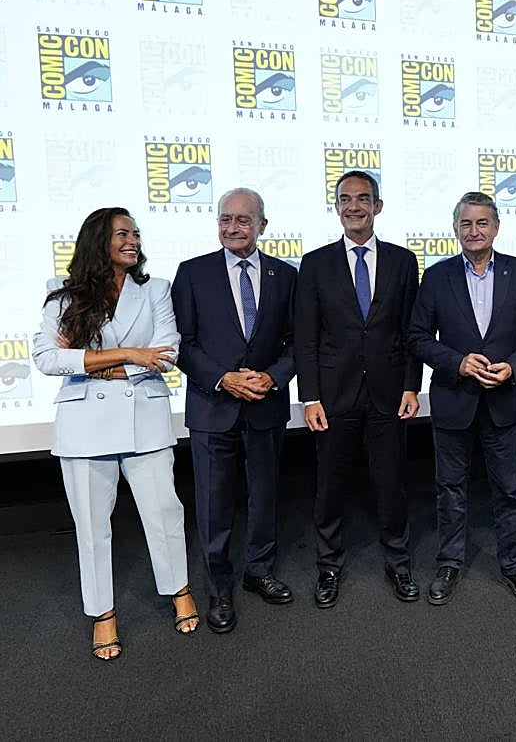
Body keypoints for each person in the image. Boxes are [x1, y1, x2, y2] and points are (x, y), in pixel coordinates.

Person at [32, 207, 197, 660]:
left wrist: (92, 362)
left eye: (135, 233)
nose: (133, 241)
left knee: (165, 512)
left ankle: (179, 589)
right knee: (91, 526)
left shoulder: (156, 290)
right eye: (123, 233)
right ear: (98, 240)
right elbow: (46, 358)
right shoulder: (62, 295)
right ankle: (102, 613)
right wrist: (129, 355)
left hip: (146, 417)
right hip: (84, 425)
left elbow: (166, 353)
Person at [408, 192, 516, 605]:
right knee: (449, 489)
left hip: (504, 400)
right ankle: (449, 563)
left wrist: (513, 367)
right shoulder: (436, 276)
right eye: (466, 224)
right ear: (455, 229)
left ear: (496, 227)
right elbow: (417, 337)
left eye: (482, 223)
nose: (474, 231)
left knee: (508, 490)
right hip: (454, 398)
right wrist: (457, 363)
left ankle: (515, 565)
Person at [172, 188, 297, 633]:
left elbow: (297, 341)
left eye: (243, 220)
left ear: (263, 225)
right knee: (213, 503)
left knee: (265, 494)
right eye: (225, 219)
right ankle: (219, 587)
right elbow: (182, 344)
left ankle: (259, 570)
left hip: (265, 404)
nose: (233, 227)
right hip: (212, 406)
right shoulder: (192, 273)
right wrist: (223, 378)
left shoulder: (285, 275)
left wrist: (274, 377)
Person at [295, 170, 422, 608]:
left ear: (377, 206)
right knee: (330, 486)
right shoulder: (315, 263)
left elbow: (411, 331)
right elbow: (306, 337)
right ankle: (328, 567)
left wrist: (411, 386)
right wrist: (310, 396)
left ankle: (399, 564)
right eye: (346, 199)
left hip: (389, 393)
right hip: (333, 395)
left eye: (363, 198)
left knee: (392, 484)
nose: (354, 206)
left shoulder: (403, 261)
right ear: (336, 207)